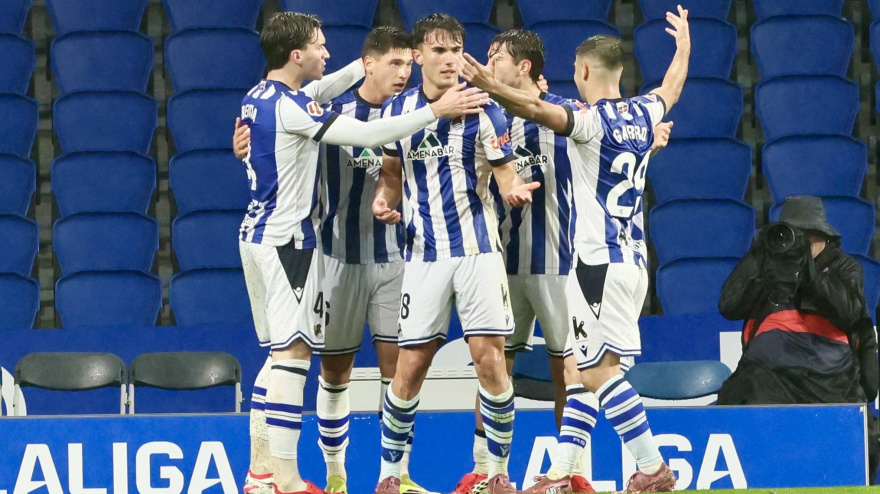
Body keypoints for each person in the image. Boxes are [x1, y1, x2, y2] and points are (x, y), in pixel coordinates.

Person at [237, 12, 489, 494]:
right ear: (296, 55)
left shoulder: (260, 97)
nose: (326, 53)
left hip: (270, 237)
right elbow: (368, 136)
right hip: (297, 244)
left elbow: (314, 94)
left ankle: (263, 472)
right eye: (318, 45)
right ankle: (287, 479)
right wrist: (437, 109)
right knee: (294, 359)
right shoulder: (302, 106)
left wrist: (373, 65)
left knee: (278, 359)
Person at [459, 6, 691, 493]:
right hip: (634, 263)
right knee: (591, 372)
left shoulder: (586, 119)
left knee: (598, 375)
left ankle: (651, 467)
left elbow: (535, 109)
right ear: (621, 71)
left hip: (592, 265)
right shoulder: (645, 112)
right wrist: (684, 44)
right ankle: (559, 474)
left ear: (582, 71)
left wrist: (487, 83)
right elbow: (671, 86)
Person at [370, 13, 539, 494]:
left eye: (455, 49)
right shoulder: (395, 113)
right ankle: (392, 475)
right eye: (438, 51)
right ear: (418, 55)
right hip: (423, 256)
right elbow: (390, 173)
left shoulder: (485, 109)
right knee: (411, 367)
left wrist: (512, 191)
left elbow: (505, 172)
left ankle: (496, 471)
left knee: (490, 362)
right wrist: (385, 199)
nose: (448, 60)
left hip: (478, 253)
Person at [717, 195, 880, 481]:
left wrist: (809, 274)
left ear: (824, 237)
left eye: (808, 237)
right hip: (768, 377)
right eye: (795, 236)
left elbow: (851, 313)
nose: (801, 244)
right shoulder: (768, 260)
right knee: (740, 402)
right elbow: (729, 306)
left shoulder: (844, 267)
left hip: (830, 380)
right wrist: (761, 259)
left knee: (868, 438)